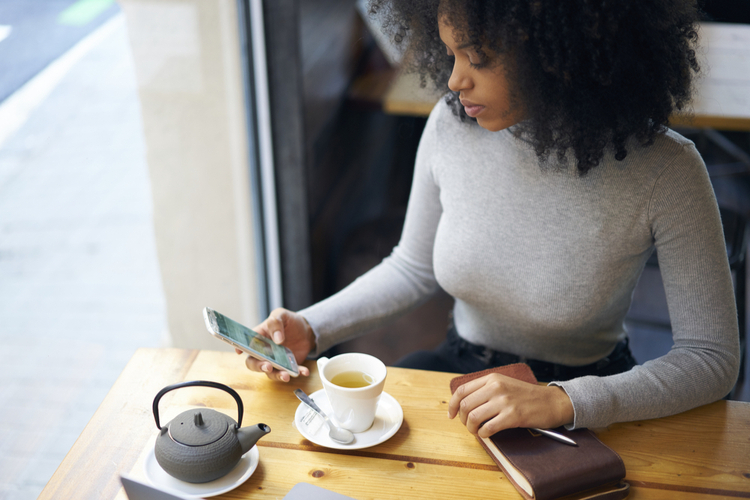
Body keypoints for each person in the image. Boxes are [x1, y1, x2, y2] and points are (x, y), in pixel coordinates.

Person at [238, 0, 740, 437]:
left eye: (477, 58)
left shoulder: (667, 171)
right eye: (450, 53)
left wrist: (566, 402)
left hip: (586, 395)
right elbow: (412, 268)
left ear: (556, 54)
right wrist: (310, 326)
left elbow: (711, 359)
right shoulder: (451, 125)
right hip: (459, 377)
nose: (454, 80)